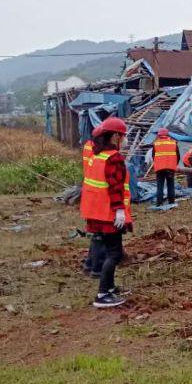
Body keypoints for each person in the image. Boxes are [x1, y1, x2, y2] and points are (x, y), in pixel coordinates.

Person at [80, 116, 133, 308]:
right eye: (123, 136)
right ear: (116, 136)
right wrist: (119, 210)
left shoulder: (97, 155)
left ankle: (109, 288)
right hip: (109, 213)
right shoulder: (114, 158)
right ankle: (102, 294)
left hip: (95, 212)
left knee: (109, 249)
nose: (125, 139)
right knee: (114, 253)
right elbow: (115, 187)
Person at [81, 123, 103, 277]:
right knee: (101, 236)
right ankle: (96, 268)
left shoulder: (90, 149)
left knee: (97, 235)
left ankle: (90, 264)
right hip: (100, 200)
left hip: (91, 196)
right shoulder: (101, 158)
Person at [152, 128, 179, 206]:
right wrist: (174, 165)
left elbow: (153, 156)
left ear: (159, 135)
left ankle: (159, 203)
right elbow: (178, 156)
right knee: (170, 185)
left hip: (160, 168)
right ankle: (171, 202)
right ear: (168, 134)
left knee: (160, 185)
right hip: (170, 167)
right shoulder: (174, 143)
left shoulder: (155, 144)